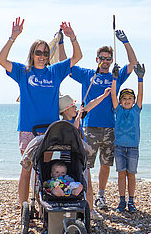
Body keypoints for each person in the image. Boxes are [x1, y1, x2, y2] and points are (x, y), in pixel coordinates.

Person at [0, 17, 82, 204]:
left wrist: (72, 37)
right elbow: (1, 59)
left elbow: (77, 57)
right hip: (28, 128)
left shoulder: (55, 71)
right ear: (32, 54)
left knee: (45, 168)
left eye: (45, 52)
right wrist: (13, 37)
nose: (42, 56)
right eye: (38, 52)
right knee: (27, 167)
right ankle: (23, 205)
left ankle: (43, 203)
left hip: (50, 130)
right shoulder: (23, 72)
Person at [65, 29, 137, 212]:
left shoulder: (116, 75)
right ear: (97, 59)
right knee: (86, 165)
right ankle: (84, 195)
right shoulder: (87, 74)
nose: (105, 62)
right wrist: (62, 43)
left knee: (106, 165)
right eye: (102, 58)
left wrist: (125, 41)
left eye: (108, 59)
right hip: (89, 127)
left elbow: (133, 63)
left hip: (110, 128)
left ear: (111, 60)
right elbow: (66, 65)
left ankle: (101, 196)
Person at [58, 90, 111, 221]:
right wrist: (77, 118)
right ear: (66, 111)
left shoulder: (77, 117)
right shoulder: (65, 124)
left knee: (87, 182)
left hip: (81, 157)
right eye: (73, 107)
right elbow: (73, 132)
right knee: (69, 183)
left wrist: (103, 95)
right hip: (70, 158)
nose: (76, 108)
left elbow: (91, 104)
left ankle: (91, 209)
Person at [110, 63, 145, 213]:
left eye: (130, 98)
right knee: (121, 174)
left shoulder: (136, 110)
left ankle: (131, 201)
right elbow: (112, 94)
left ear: (133, 100)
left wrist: (140, 78)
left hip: (132, 147)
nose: (126, 100)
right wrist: (114, 79)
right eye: (124, 98)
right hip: (118, 147)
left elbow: (141, 94)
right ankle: (122, 201)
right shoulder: (118, 109)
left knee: (131, 175)